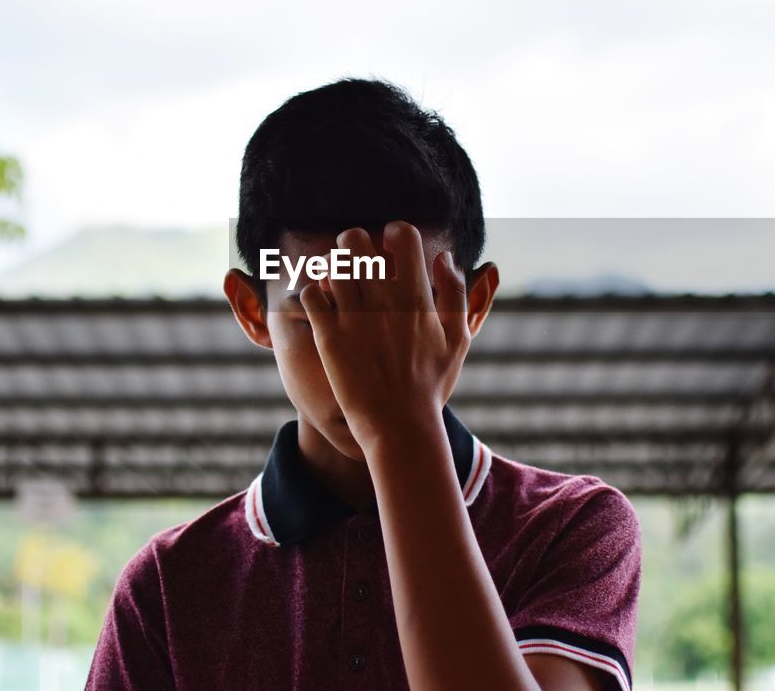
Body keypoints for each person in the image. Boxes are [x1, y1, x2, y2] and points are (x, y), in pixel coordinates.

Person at [84, 78, 642, 690]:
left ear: (473, 306)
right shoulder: (168, 588)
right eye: (320, 309)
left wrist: (401, 429)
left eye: (409, 307)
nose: (365, 357)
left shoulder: (570, 526)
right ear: (252, 310)